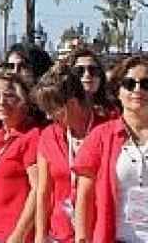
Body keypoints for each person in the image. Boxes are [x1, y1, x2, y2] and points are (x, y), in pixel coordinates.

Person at [74, 54, 148, 243]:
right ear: (117, 91)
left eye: (146, 84)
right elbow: (84, 197)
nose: (138, 90)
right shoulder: (101, 136)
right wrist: (82, 238)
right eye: (129, 84)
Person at [33, 63, 106, 243]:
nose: (49, 117)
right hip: (60, 234)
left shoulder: (105, 130)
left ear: (72, 103)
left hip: (97, 233)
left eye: (53, 110)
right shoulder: (48, 135)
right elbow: (43, 192)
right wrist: (40, 236)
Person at [0, 70, 41, 243]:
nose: (0, 102)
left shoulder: (31, 136)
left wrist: (18, 235)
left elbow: (37, 190)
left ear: (23, 100)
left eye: (8, 96)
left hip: (15, 235)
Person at [68, 48, 118, 118]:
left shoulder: (114, 113)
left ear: (101, 76)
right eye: (79, 70)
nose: (87, 74)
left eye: (93, 70)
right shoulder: (62, 113)